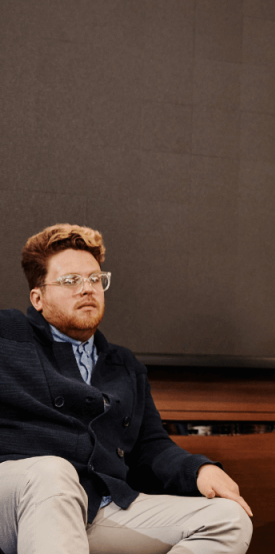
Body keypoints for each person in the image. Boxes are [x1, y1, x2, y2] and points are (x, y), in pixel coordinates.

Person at [0, 224, 253, 554]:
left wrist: (198, 469)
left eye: (94, 279)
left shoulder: (124, 365)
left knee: (229, 519)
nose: (87, 289)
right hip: (17, 497)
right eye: (70, 281)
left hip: (98, 505)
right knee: (53, 472)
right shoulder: (9, 335)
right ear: (38, 298)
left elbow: (150, 446)